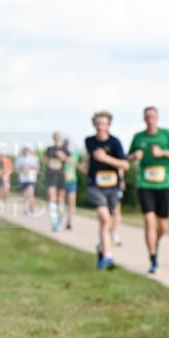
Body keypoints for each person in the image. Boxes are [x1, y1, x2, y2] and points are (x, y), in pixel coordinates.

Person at [128, 106, 169, 274]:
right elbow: (127, 158)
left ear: (157, 118)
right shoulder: (138, 137)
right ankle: (153, 258)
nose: (150, 120)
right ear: (144, 119)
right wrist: (134, 156)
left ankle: (155, 243)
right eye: (147, 117)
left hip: (164, 184)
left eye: (153, 117)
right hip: (145, 184)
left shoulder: (166, 134)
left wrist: (164, 153)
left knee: (163, 225)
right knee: (148, 221)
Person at [80, 111, 129, 270]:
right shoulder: (89, 141)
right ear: (94, 124)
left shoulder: (115, 143)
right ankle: (108, 255)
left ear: (108, 125)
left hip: (113, 186)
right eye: (98, 123)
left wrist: (105, 159)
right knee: (105, 218)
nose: (101, 127)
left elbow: (125, 165)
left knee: (113, 217)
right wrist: (84, 165)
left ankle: (102, 248)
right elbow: (87, 158)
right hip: (96, 185)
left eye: (104, 123)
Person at [44, 132, 70, 231]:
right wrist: (49, 161)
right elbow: (45, 160)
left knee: (60, 199)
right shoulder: (49, 149)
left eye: (58, 137)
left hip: (61, 175)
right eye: (54, 137)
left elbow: (70, 161)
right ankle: (54, 221)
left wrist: (63, 157)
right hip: (51, 175)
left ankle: (60, 220)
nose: (56, 139)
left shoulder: (64, 149)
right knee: (52, 197)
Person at [16, 146, 40, 216]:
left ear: (30, 152)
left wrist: (30, 168)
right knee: (25, 195)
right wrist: (22, 169)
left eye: (27, 151)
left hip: (31, 179)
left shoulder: (34, 158)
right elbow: (17, 168)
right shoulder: (19, 159)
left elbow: (37, 167)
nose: (26, 153)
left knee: (31, 194)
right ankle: (28, 209)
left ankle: (33, 209)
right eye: (25, 151)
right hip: (23, 179)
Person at [62, 139, 79, 230]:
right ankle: (60, 219)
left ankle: (70, 222)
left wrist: (63, 157)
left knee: (71, 202)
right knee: (62, 202)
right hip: (61, 182)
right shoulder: (59, 155)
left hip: (72, 181)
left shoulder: (74, 154)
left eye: (67, 144)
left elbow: (73, 162)